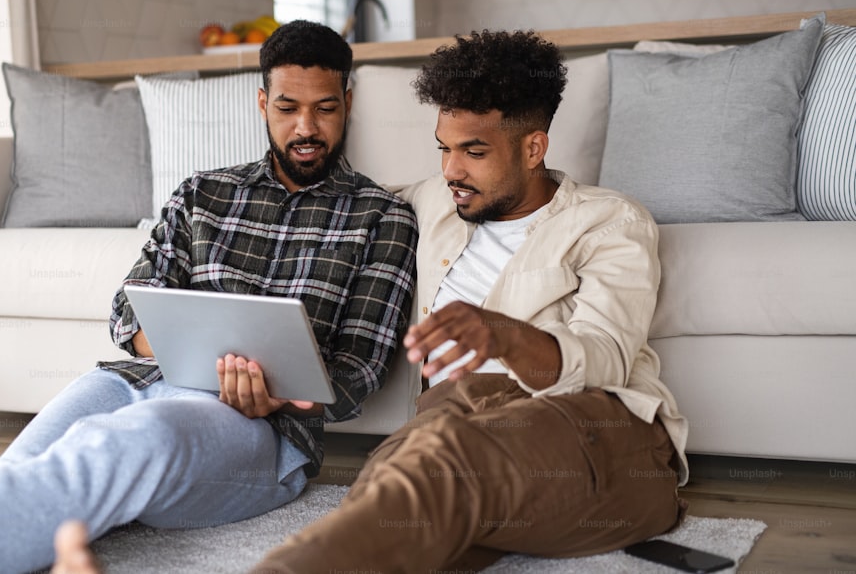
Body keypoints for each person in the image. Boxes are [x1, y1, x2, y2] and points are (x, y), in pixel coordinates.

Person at [0, 20, 418, 574]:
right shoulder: (203, 193)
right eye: (287, 108)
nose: (306, 127)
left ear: (348, 102)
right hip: (133, 382)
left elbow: (358, 370)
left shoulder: (383, 217)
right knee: (14, 472)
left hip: (261, 429)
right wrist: (180, 349)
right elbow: (128, 308)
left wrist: (280, 396)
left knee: (122, 444)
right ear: (261, 102)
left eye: (324, 108)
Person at [249, 29, 690, 573]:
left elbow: (605, 360)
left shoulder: (609, 222)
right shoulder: (430, 201)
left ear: (533, 148)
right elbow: (342, 208)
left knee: (443, 467)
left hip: (587, 425)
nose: (451, 171)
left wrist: (503, 333)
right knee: (393, 494)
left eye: (474, 151)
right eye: (445, 149)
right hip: (453, 419)